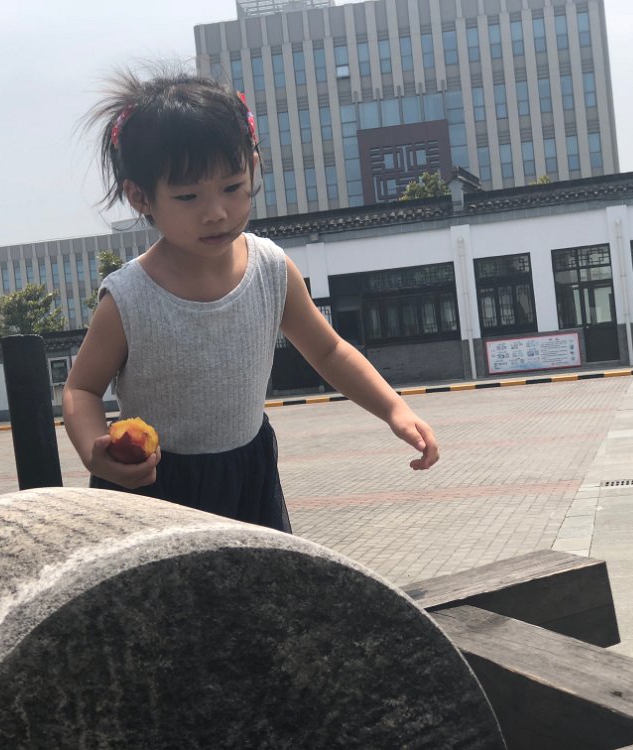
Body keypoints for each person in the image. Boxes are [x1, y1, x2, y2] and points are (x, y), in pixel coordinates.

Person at [63, 69, 439, 533]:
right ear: (140, 197)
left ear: (253, 167)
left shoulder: (271, 270)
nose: (216, 211)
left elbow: (329, 351)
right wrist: (94, 451)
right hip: (154, 485)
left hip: (247, 476)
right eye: (188, 196)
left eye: (231, 187)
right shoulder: (129, 298)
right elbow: (81, 390)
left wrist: (394, 409)